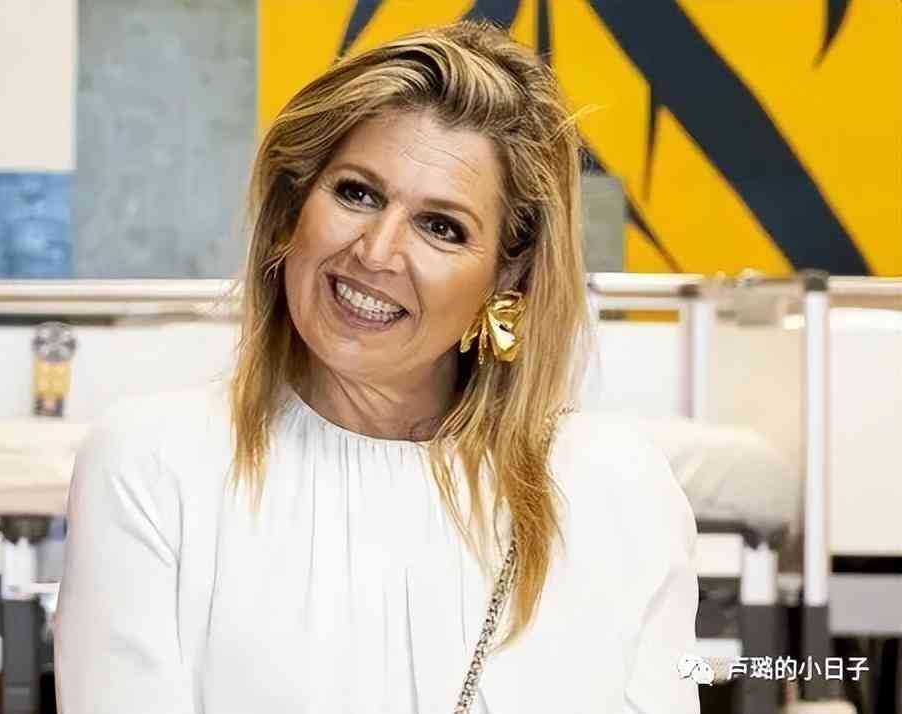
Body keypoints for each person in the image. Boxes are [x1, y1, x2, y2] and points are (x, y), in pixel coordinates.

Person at [54, 20, 700, 714]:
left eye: (442, 227)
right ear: (293, 208)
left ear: (507, 276)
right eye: (357, 193)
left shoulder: (616, 489)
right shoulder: (153, 465)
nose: (377, 251)